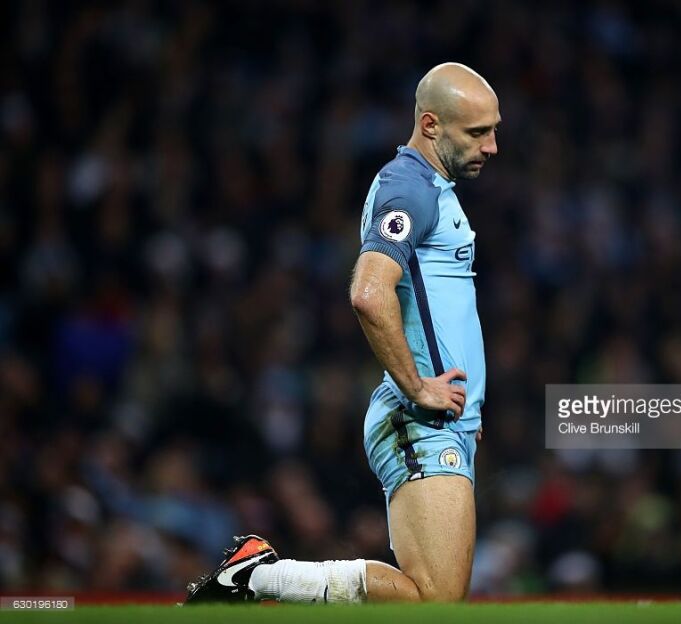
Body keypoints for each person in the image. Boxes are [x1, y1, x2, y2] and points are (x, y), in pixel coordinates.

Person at [185, 62, 500, 604]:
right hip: (420, 420)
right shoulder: (410, 190)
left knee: (434, 603)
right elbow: (369, 293)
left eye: (493, 129)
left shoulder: (430, 188)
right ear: (430, 125)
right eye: (477, 132)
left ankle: (255, 577)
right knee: (437, 600)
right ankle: (257, 577)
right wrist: (419, 388)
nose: (491, 146)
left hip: (444, 424)